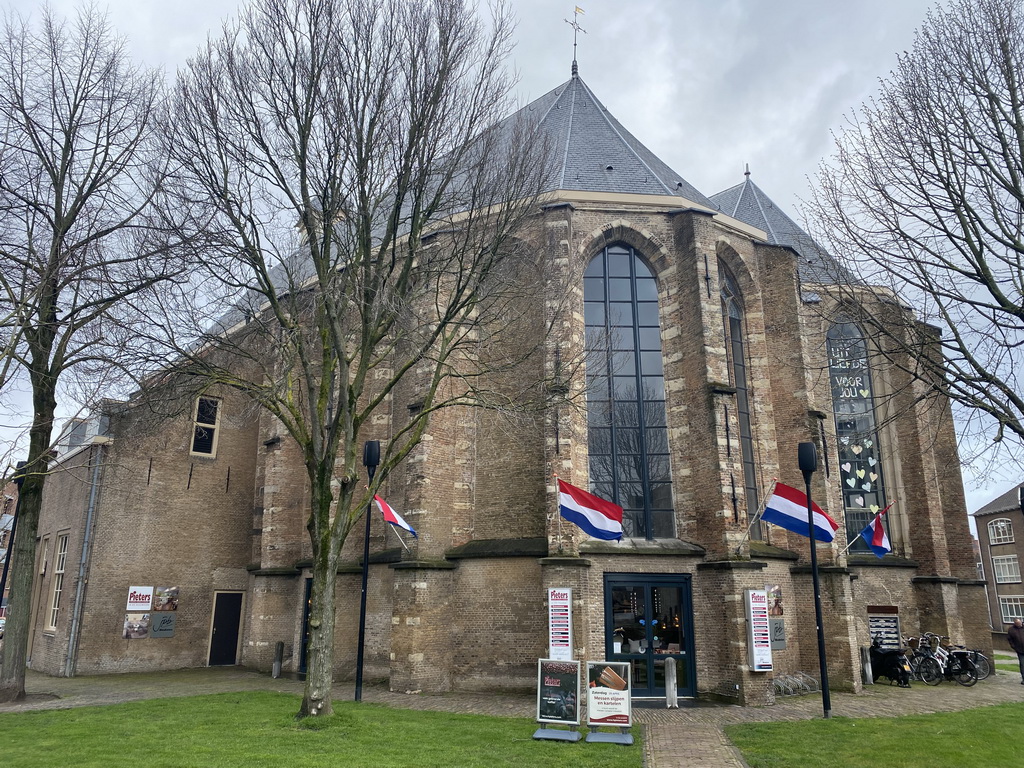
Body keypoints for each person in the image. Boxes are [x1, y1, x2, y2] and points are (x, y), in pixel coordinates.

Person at [1008, 617, 1024, 685]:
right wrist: (1014, 647)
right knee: (1022, 664)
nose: (1019, 624)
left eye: (1020, 623)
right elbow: (1010, 639)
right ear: (1015, 623)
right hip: (1020, 650)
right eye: (1017, 623)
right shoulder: (1011, 630)